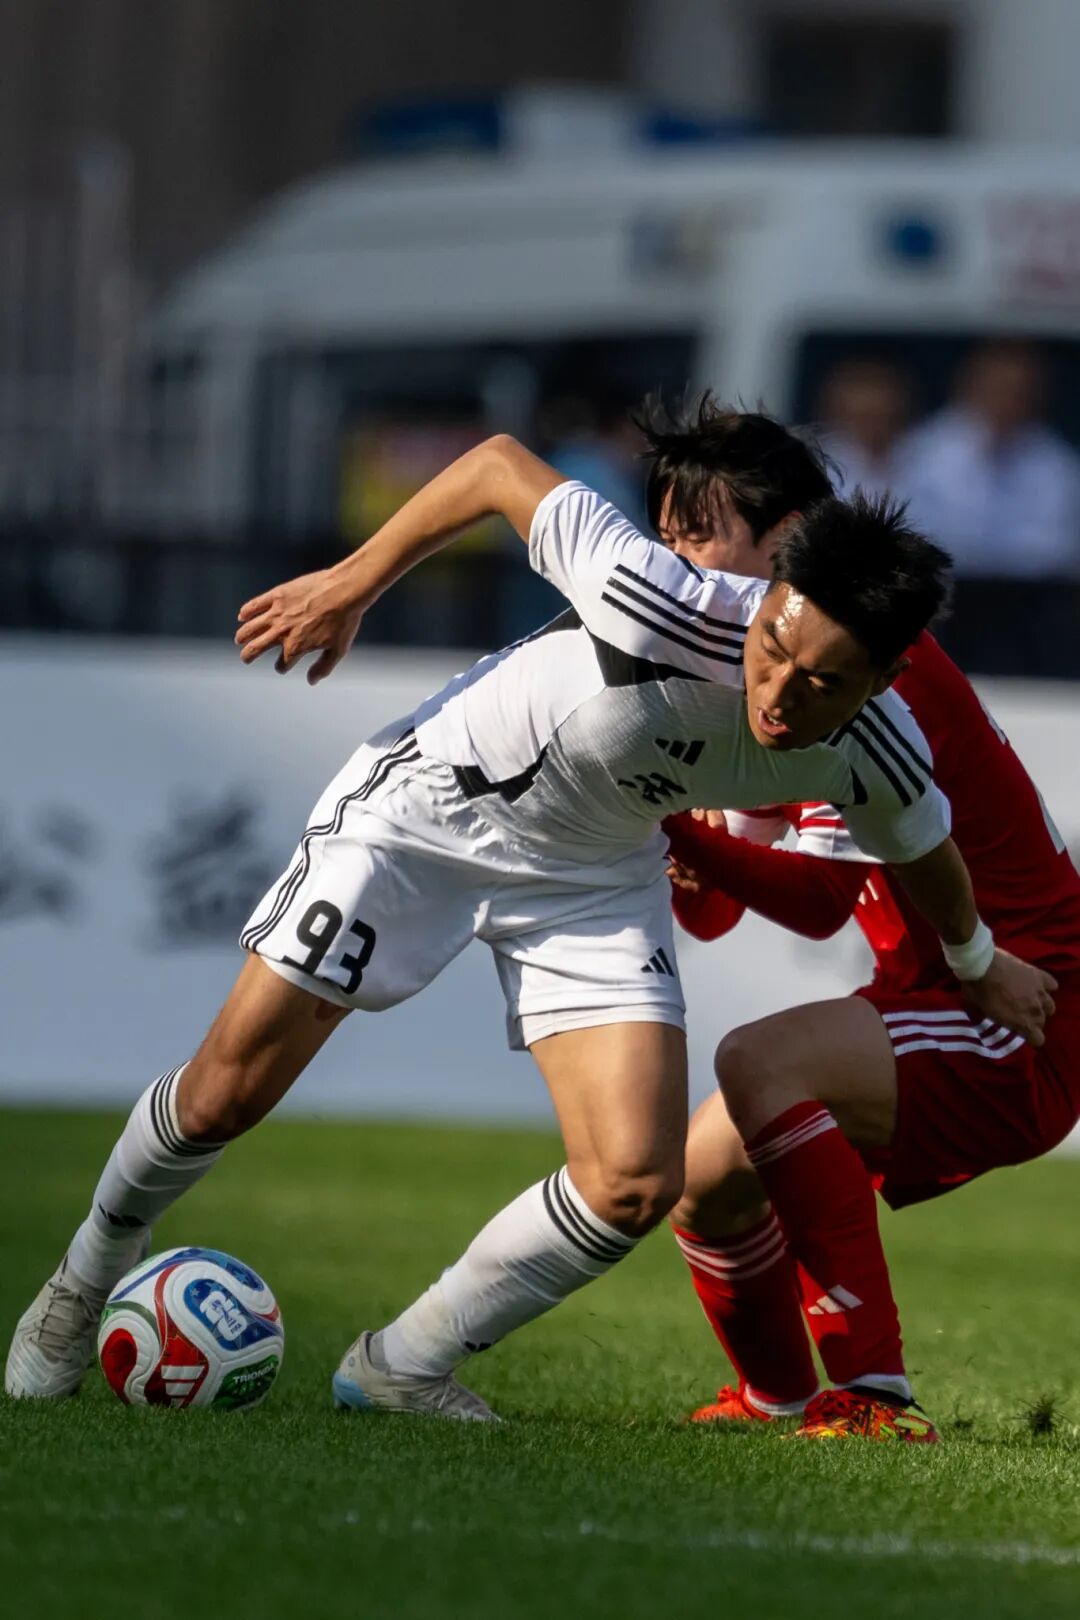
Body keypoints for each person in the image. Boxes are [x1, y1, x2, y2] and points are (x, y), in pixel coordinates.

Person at [6, 405, 1053, 1420]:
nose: (778, 694)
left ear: (882, 681)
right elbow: (500, 465)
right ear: (770, 596)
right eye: (772, 651)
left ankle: (401, 1367)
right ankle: (84, 1274)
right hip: (436, 807)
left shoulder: (880, 745)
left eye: (818, 683)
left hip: (593, 869)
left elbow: (925, 848)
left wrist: (977, 961)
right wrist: (349, 583)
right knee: (223, 1096)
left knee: (633, 1181)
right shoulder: (663, 598)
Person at [664, 637, 1080, 1444]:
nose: (690, 569)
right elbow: (713, 913)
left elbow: (822, 901)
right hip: (944, 996)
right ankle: (775, 1396)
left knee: (760, 1062)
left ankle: (876, 1398)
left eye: (701, 540)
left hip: (1024, 1012)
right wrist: (692, 851)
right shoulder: (801, 668)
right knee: (703, 1180)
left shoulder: (857, 686)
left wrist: (680, 831)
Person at [902, 340, 1080, 579]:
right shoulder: (921, 450)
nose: (1007, 402)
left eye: (1020, 393)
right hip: (939, 582)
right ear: (970, 386)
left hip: (1028, 589)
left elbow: (1058, 547)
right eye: (999, 389)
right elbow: (914, 528)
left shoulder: (1057, 464)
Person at [816, 358, 913, 500]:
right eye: (865, 417)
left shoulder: (923, 459)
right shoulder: (819, 464)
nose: (874, 426)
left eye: (880, 416)